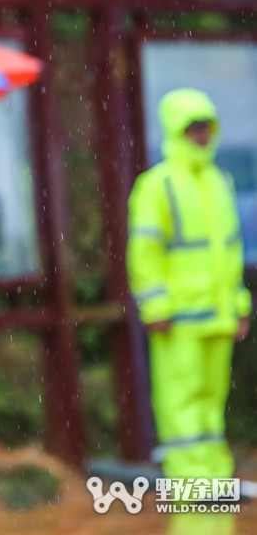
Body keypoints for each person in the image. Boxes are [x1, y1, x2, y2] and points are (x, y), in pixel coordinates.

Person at [127, 88, 252, 489]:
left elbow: (231, 253)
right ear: (176, 129)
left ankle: (213, 476)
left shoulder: (219, 181)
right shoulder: (158, 184)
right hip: (179, 316)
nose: (201, 134)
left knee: (211, 403)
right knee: (181, 401)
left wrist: (239, 304)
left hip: (217, 314)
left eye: (205, 126)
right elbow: (144, 252)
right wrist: (156, 307)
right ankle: (190, 480)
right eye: (193, 127)